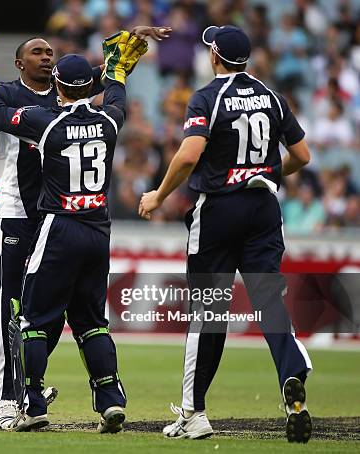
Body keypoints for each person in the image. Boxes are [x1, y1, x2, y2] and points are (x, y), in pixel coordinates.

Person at [0, 24, 170, 430]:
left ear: (60, 84)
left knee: (31, 316)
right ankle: (102, 397)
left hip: (54, 224)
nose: (46, 56)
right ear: (19, 62)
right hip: (84, 226)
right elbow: (110, 85)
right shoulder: (108, 118)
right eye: (37, 51)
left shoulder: (45, 119)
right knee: (84, 319)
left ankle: (27, 399)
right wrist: (117, 67)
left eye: (51, 53)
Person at [138, 25, 313, 443]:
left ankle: (193, 413)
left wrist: (160, 195)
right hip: (263, 209)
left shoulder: (207, 97)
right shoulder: (271, 96)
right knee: (269, 300)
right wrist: (266, 173)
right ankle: (292, 379)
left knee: (208, 311)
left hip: (218, 210)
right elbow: (302, 156)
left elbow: (190, 153)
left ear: (214, 57)